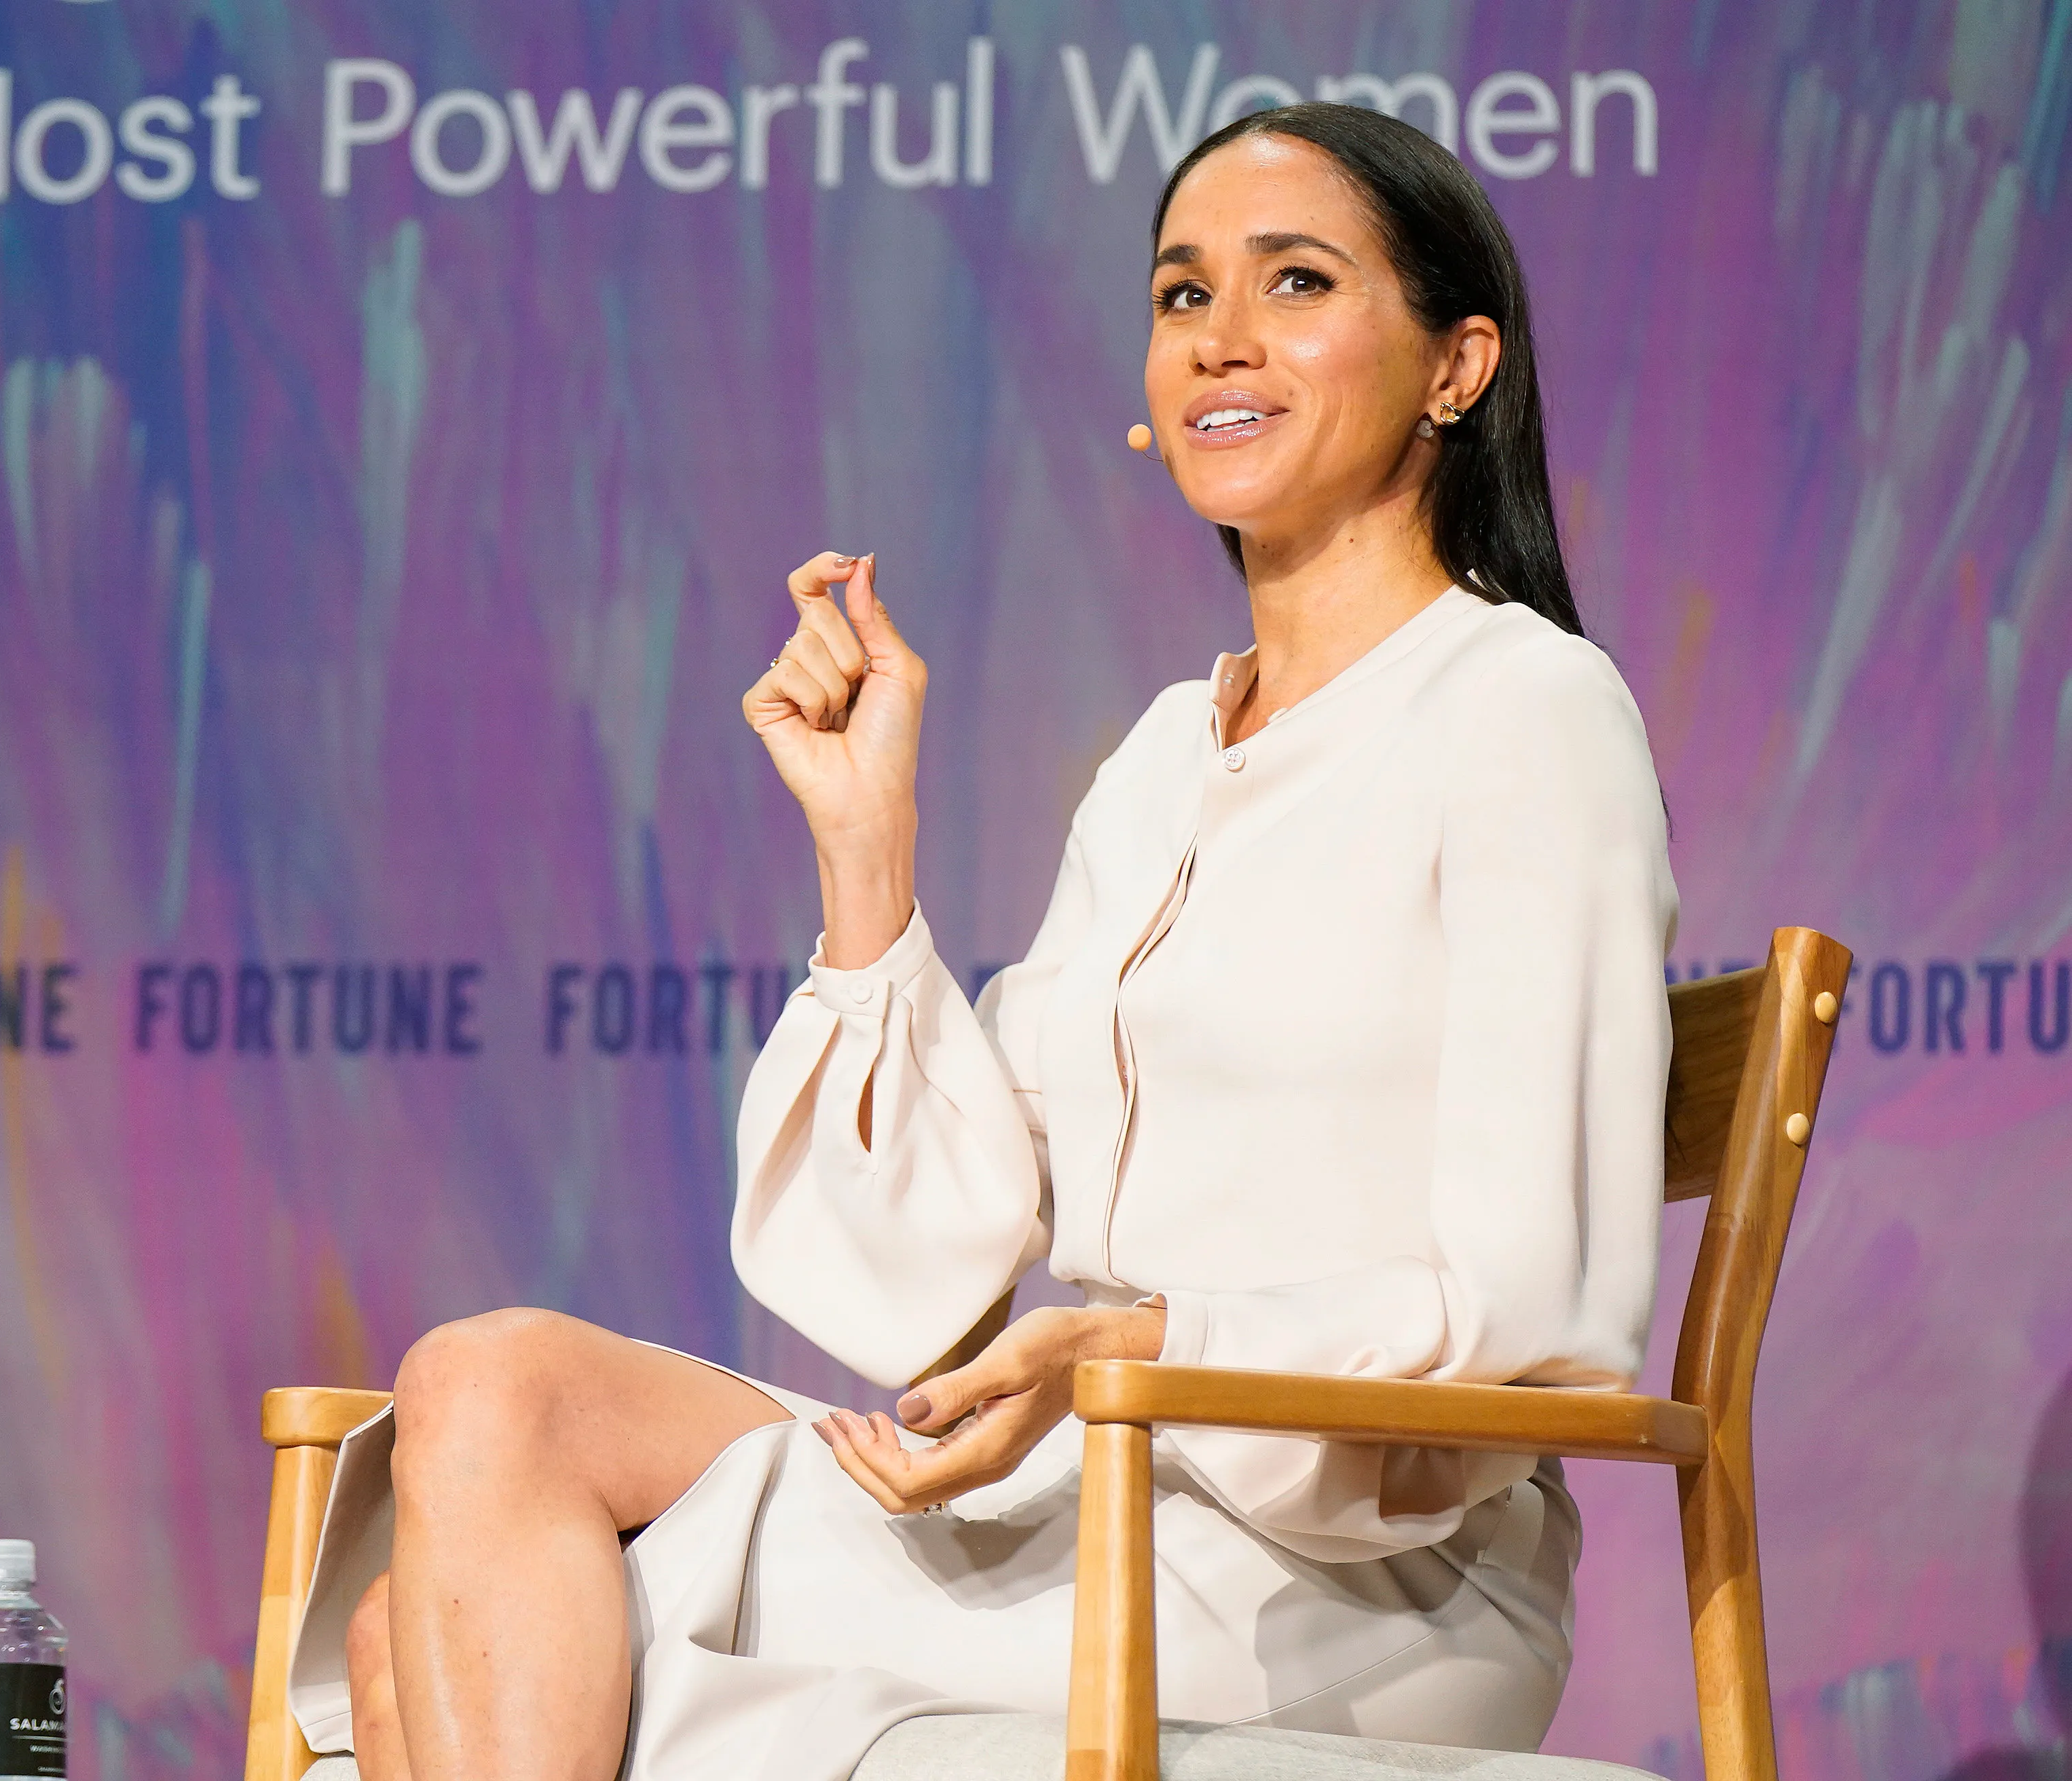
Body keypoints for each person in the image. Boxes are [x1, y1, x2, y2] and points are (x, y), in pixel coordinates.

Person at [308, 102, 1678, 1781]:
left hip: (1359, 1576)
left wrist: (1145, 1344)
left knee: (438, 1648)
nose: (1219, 340)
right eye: (1180, 296)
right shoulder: (1172, 752)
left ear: (1456, 366)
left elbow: (1540, 1298)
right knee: (485, 1387)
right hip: (1089, 1489)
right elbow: (936, 1265)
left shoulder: (1524, 706)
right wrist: (864, 854)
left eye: (1296, 281)